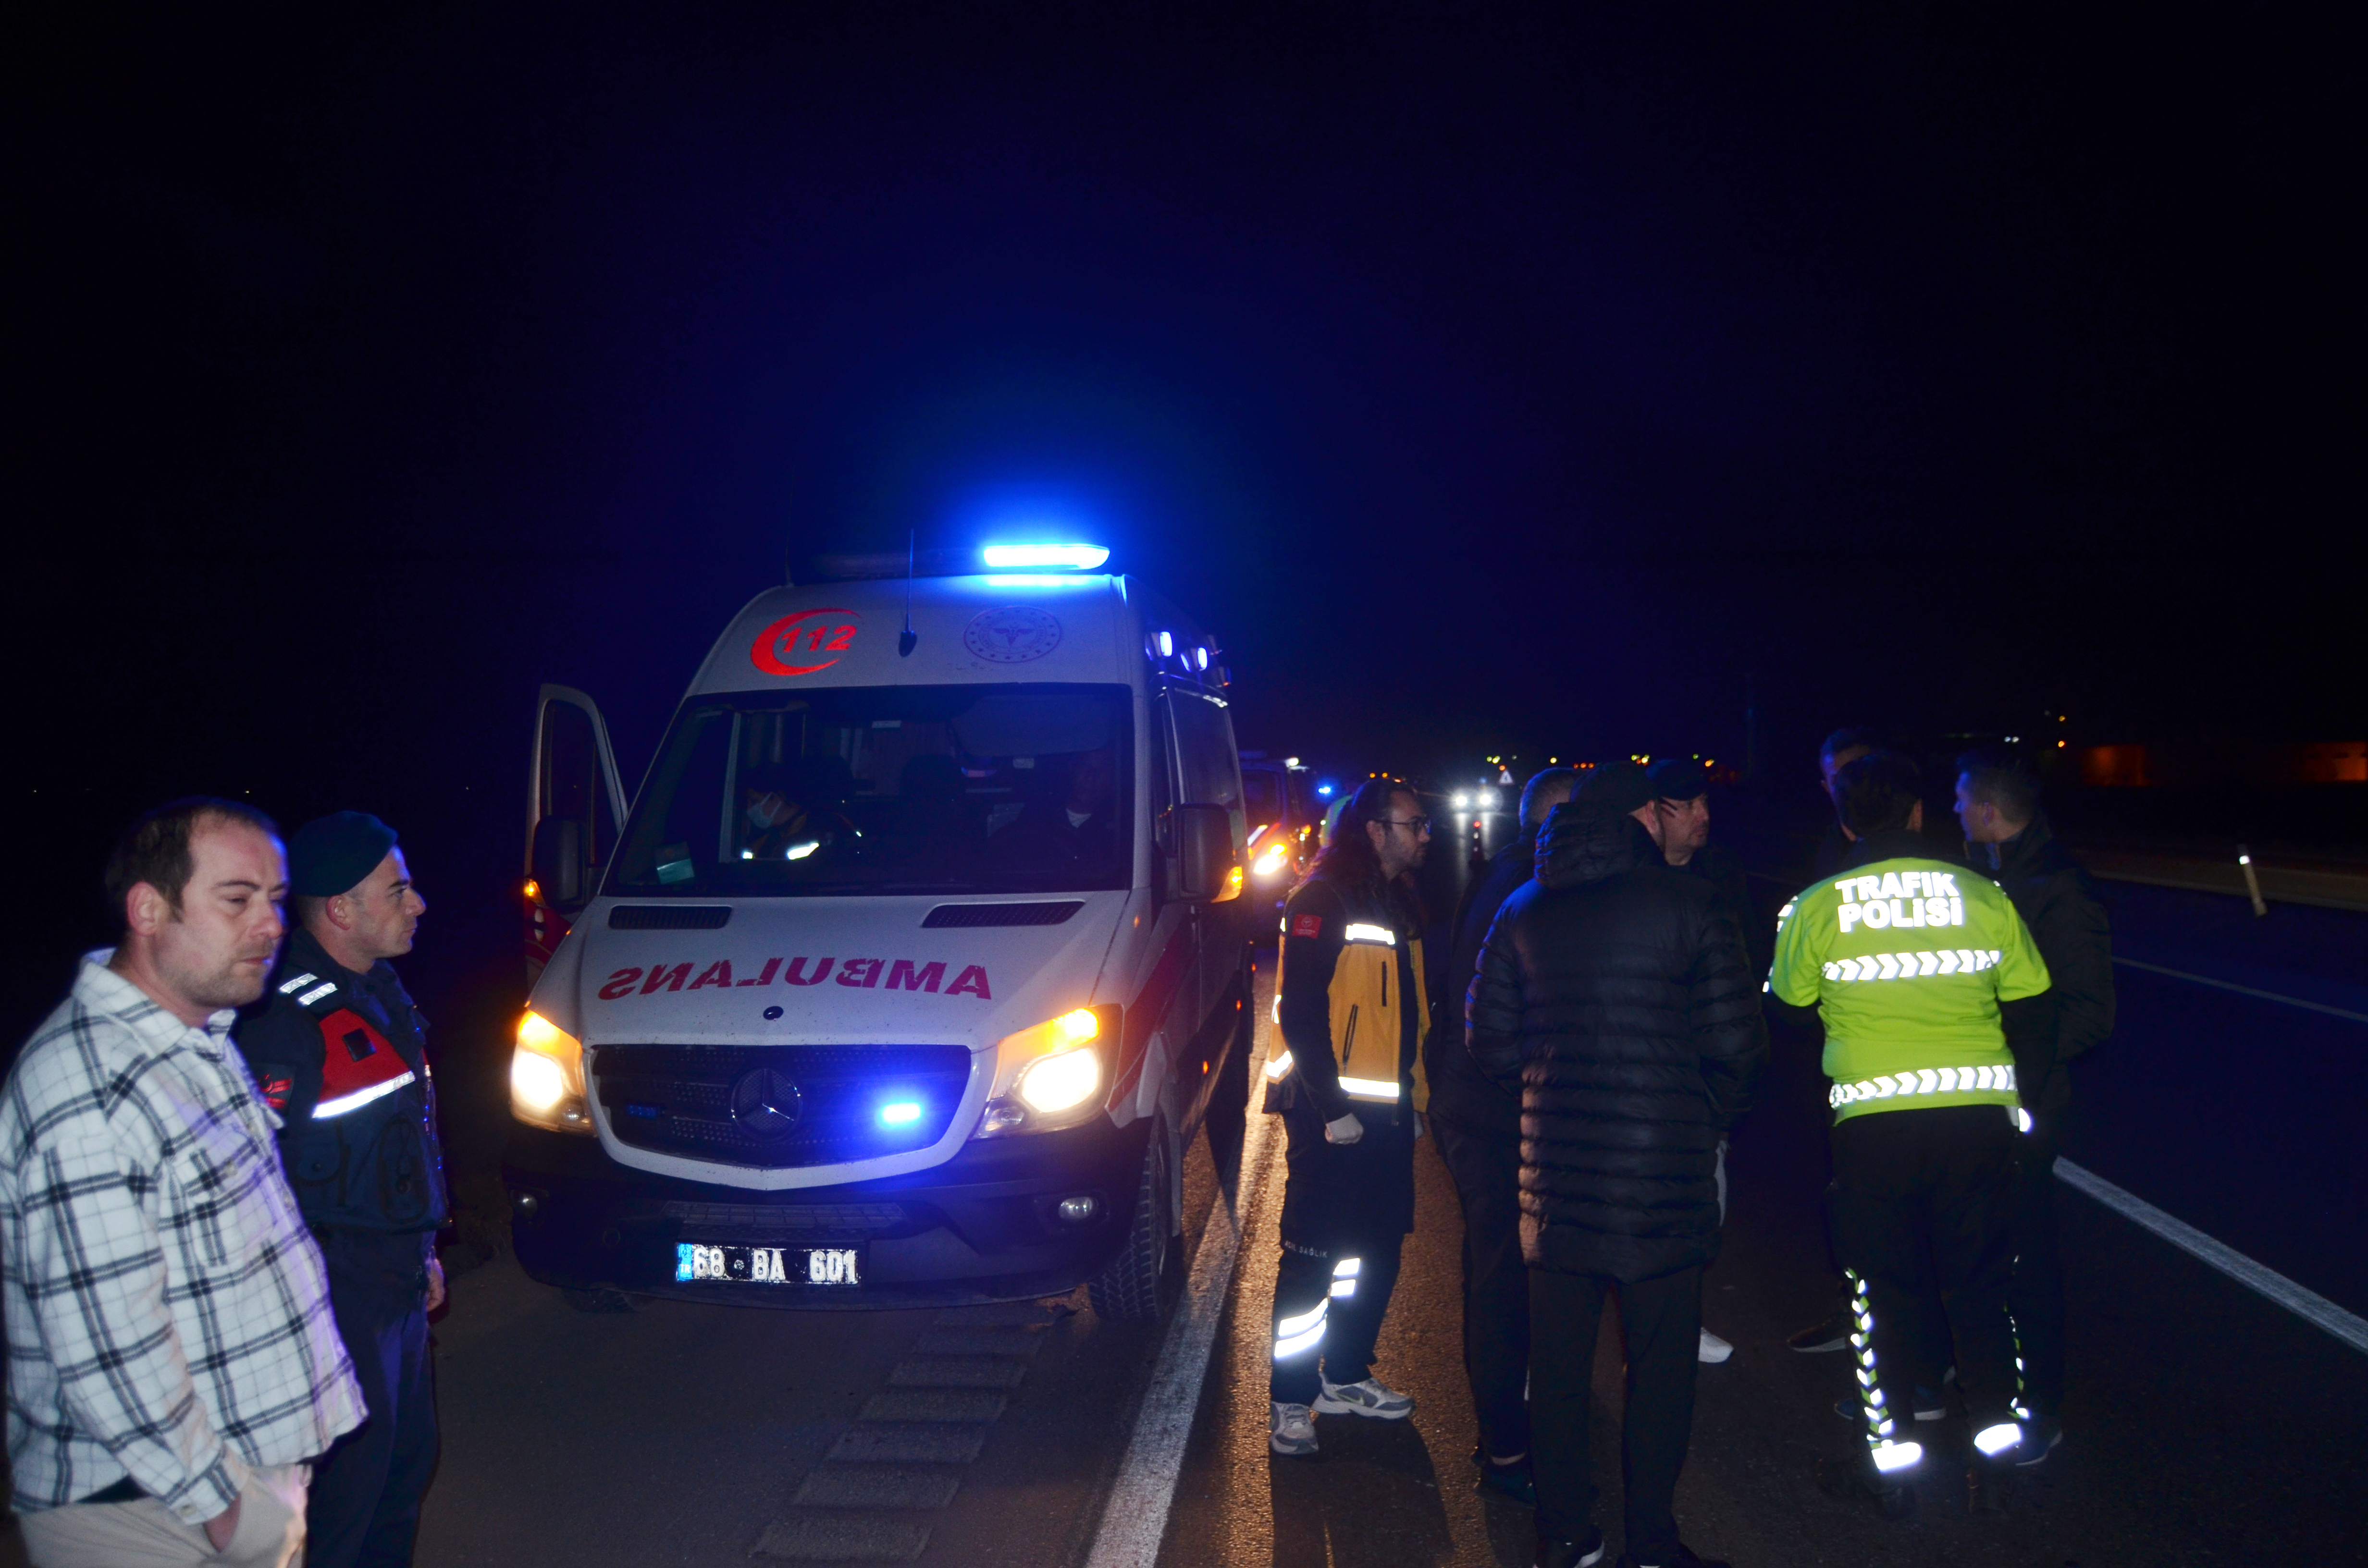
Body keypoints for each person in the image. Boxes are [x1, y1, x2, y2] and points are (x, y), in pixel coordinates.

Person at [1, 799, 364, 1568]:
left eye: (275, 899)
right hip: (149, 1513)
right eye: (237, 899)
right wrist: (228, 1510)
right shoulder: (88, 1085)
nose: (271, 925)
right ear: (148, 910)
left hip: (222, 1488)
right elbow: (108, 1344)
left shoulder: (195, 1044)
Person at [1470, 762, 1764, 1568]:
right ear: (1636, 822)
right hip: (1661, 1179)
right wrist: (1698, 1118)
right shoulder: (1689, 903)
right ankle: (1652, 1542)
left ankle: (1565, 1534)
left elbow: (1488, 1043)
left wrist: (1551, 1091)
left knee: (1559, 1369)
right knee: (1660, 1370)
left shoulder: (1521, 908)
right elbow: (1737, 1045)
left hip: (1555, 1180)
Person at [1769, 750, 2054, 1515]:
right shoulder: (1983, 894)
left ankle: (1892, 1454)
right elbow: (2034, 1001)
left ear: (1845, 822)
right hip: (1976, 1121)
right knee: (1981, 1280)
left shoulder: (1818, 904)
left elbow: (1787, 1007)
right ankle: (1998, 1441)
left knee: (1880, 1291)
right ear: (1920, 813)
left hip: (1874, 1126)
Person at [234, 812, 446, 1568]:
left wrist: (424, 1251)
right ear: (340, 911)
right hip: (332, 1295)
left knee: (401, 1472)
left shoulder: (377, 991)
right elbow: (245, 1182)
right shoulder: (279, 1022)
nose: (418, 904)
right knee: (342, 1503)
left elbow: (404, 1140)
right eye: (398, 890)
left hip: (393, 1282)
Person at [1265, 778, 1432, 1459]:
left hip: (1386, 1112)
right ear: (1375, 830)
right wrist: (1332, 1109)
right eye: (1414, 823)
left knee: (1376, 1250)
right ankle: (1291, 1398)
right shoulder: (1320, 899)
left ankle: (1346, 1374)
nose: (1425, 835)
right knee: (1312, 1257)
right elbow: (1300, 1012)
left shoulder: (1395, 901)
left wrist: (1414, 1101)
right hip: (1326, 1112)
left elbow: (1410, 1018)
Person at [1424, 766, 1578, 1504]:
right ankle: (1507, 1452)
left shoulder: (1506, 876)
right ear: (1559, 822)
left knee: (1503, 1271)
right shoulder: (1529, 891)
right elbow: (1500, 1023)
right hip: (1493, 1114)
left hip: (1478, 1105)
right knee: (1501, 1277)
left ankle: (1514, 1433)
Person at [1956, 749, 2113, 1460]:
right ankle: (1969, 1378)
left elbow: (2089, 1011)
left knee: (2024, 1257)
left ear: (1988, 811)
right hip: (1973, 1098)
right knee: (1973, 1246)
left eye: (1962, 799)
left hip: (2023, 1102)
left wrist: (2010, 1063)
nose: (1954, 810)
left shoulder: (2056, 888)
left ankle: (2038, 1405)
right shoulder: (1987, 875)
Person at [1644, 756, 1763, 1370]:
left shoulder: (1720, 875)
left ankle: (1680, 1320)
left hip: (1699, 1082)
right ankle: (1643, 1331)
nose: (1701, 816)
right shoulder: (1625, 877)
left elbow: (1745, 972)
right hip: (1640, 1076)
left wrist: (1727, 1086)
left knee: (1703, 1204)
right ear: (1652, 814)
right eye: (1686, 806)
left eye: (1705, 803)